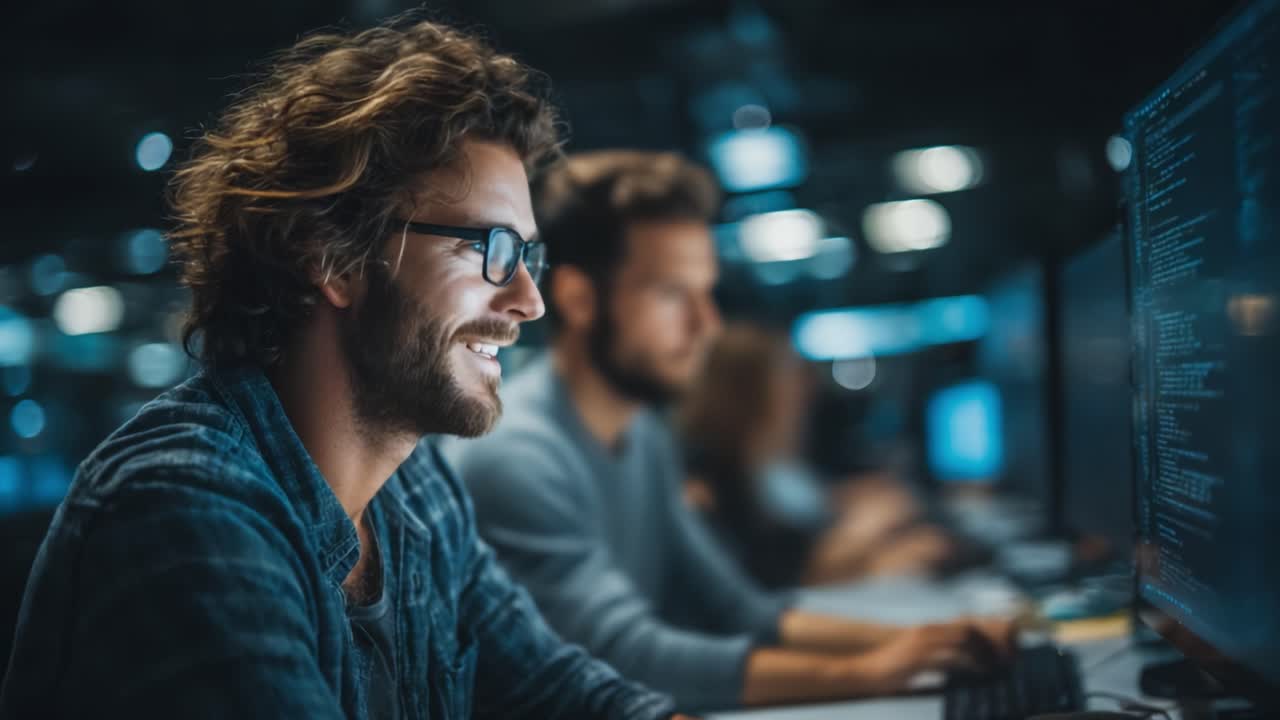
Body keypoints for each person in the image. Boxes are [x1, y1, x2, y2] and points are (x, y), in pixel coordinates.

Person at [0, 18, 683, 720]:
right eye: (493, 248)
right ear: (335, 257)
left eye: (527, 256)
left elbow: (556, 691)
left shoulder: (416, 493)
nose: (529, 300)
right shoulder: (185, 508)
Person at [446, 150, 1016, 712]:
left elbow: (738, 611)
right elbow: (619, 654)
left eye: (706, 292)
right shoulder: (517, 451)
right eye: (673, 294)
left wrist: (922, 641)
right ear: (579, 298)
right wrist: (869, 671)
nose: (707, 325)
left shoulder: (642, 432)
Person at [678, 323, 959, 589]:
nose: (802, 392)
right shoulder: (710, 482)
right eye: (786, 377)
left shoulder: (757, 466)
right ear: (748, 393)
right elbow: (770, 581)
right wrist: (871, 543)